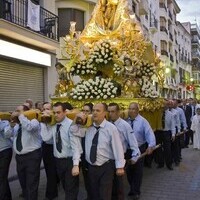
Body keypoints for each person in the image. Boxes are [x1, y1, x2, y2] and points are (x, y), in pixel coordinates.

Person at [41, 102, 82, 200]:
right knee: (65, 187)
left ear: (64, 112)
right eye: (54, 113)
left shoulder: (71, 125)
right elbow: (46, 138)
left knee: (70, 190)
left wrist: (76, 165)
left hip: (70, 161)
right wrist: (43, 122)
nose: (55, 115)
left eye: (58, 112)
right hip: (58, 161)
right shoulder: (54, 124)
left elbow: (76, 147)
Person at [84, 103, 125, 200]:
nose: (94, 113)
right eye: (93, 110)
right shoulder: (87, 127)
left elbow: (118, 147)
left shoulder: (111, 128)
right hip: (91, 166)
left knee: (105, 194)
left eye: (98, 111)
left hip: (106, 167)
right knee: (93, 193)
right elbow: (73, 131)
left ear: (105, 113)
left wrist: (120, 166)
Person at [5, 105, 42, 200]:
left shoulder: (34, 121)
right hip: (19, 157)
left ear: (26, 112)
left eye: (18, 111)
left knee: (32, 183)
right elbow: (7, 135)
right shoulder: (18, 124)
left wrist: (21, 116)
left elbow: (29, 128)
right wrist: (10, 124)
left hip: (32, 156)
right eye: (15, 110)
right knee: (23, 182)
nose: (15, 112)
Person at [108, 103, 140, 200]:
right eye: (109, 111)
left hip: (120, 157)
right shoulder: (107, 124)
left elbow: (133, 143)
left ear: (118, 112)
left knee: (118, 185)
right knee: (109, 184)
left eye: (112, 111)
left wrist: (135, 156)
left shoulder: (125, 125)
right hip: (108, 158)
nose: (110, 114)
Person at [126, 102, 156, 200]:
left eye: (133, 109)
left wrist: (151, 145)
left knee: (137, 172)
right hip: (128, 150)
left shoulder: (143, 121)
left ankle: (136, 191)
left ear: (138, 110)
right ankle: (132, 188)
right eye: (129, 108)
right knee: (129, 171)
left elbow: (149, 134)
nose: (131, 110)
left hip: (139, 148)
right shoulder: (125, 121)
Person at [41, 102, 58, 200]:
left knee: (53, 171)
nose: (46, 111)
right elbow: (45, 138)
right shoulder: (42, 121)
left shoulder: (54, 121)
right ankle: (51, 192)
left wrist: (48, 123)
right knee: (49, 171)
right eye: (44, 109)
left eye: (48, 109)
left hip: (54, 147)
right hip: (46, 148)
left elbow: (47, 137)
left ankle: (52, 192)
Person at [155, 99, 175, 170]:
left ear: (168, 105)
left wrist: (173, 134)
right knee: (158, 148)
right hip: (159, 132)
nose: (164, 105)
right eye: (162, 104)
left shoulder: (170, 114)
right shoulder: (157, 113)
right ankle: (160, 163)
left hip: (166, 133)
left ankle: (169, 164)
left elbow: (173, 125)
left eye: (165, 104)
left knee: (167, 149)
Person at [0, 119, 13, 200]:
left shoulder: (5, 122)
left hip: (5, 151)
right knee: (2, 177)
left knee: (2, 176)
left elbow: (8, 134)